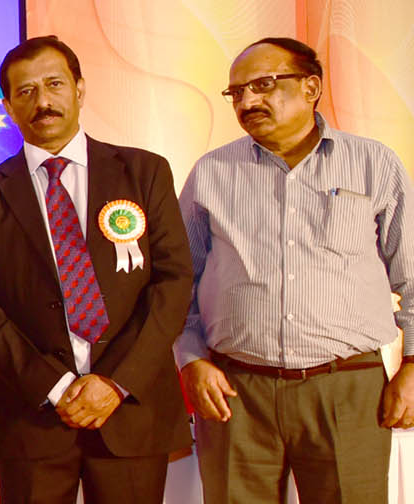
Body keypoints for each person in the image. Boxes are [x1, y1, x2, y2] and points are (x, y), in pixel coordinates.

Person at [176, 37, 413, 503]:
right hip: (236, 392)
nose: (247, 101)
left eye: (262, 85)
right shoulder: (212, 172)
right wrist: (192, 358)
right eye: (236, 92)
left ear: (311, 87)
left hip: (347, 388)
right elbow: (179, 281)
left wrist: (412, 365)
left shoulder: (373, 163)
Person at [0, 36, 193, 503]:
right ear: (7, 108)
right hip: (30, 416)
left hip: (131, 410)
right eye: (26, 91)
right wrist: (56, 385)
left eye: (54, 84)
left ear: (80, 89)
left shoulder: (143, 172)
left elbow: (173, 282)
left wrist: (116, 382)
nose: (42, 102)